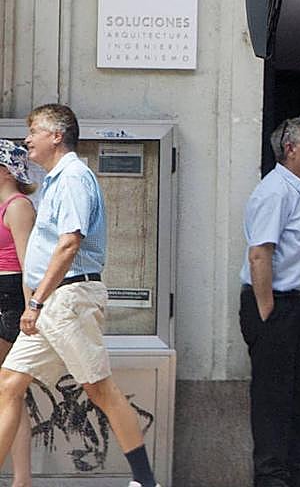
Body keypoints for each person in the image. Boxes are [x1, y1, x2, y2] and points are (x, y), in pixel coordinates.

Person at [0, 104, 161, 487]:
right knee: (8, 382)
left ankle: (145, 480)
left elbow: (71, 241)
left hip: (67, 297)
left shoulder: (74, 177)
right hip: (54, 299)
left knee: (98, 387)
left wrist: (36, 301)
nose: (27, 140)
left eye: (34, 131)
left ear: (56, 135)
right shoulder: (57, 179)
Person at [239, 115, 300, 487]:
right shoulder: (276, 191)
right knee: (274, 401)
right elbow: (260, 253)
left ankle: (298, 476)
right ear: (290, 150)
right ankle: (272, 480)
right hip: (278, 305)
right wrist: (268, 311)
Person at [0, 140, 35, 487]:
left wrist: (31, 308)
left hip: (8, 296)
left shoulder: (18, 206)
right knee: (8, 392)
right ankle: (21, 479)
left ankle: (21, 479)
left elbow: (29, 264)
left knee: (9, 391)